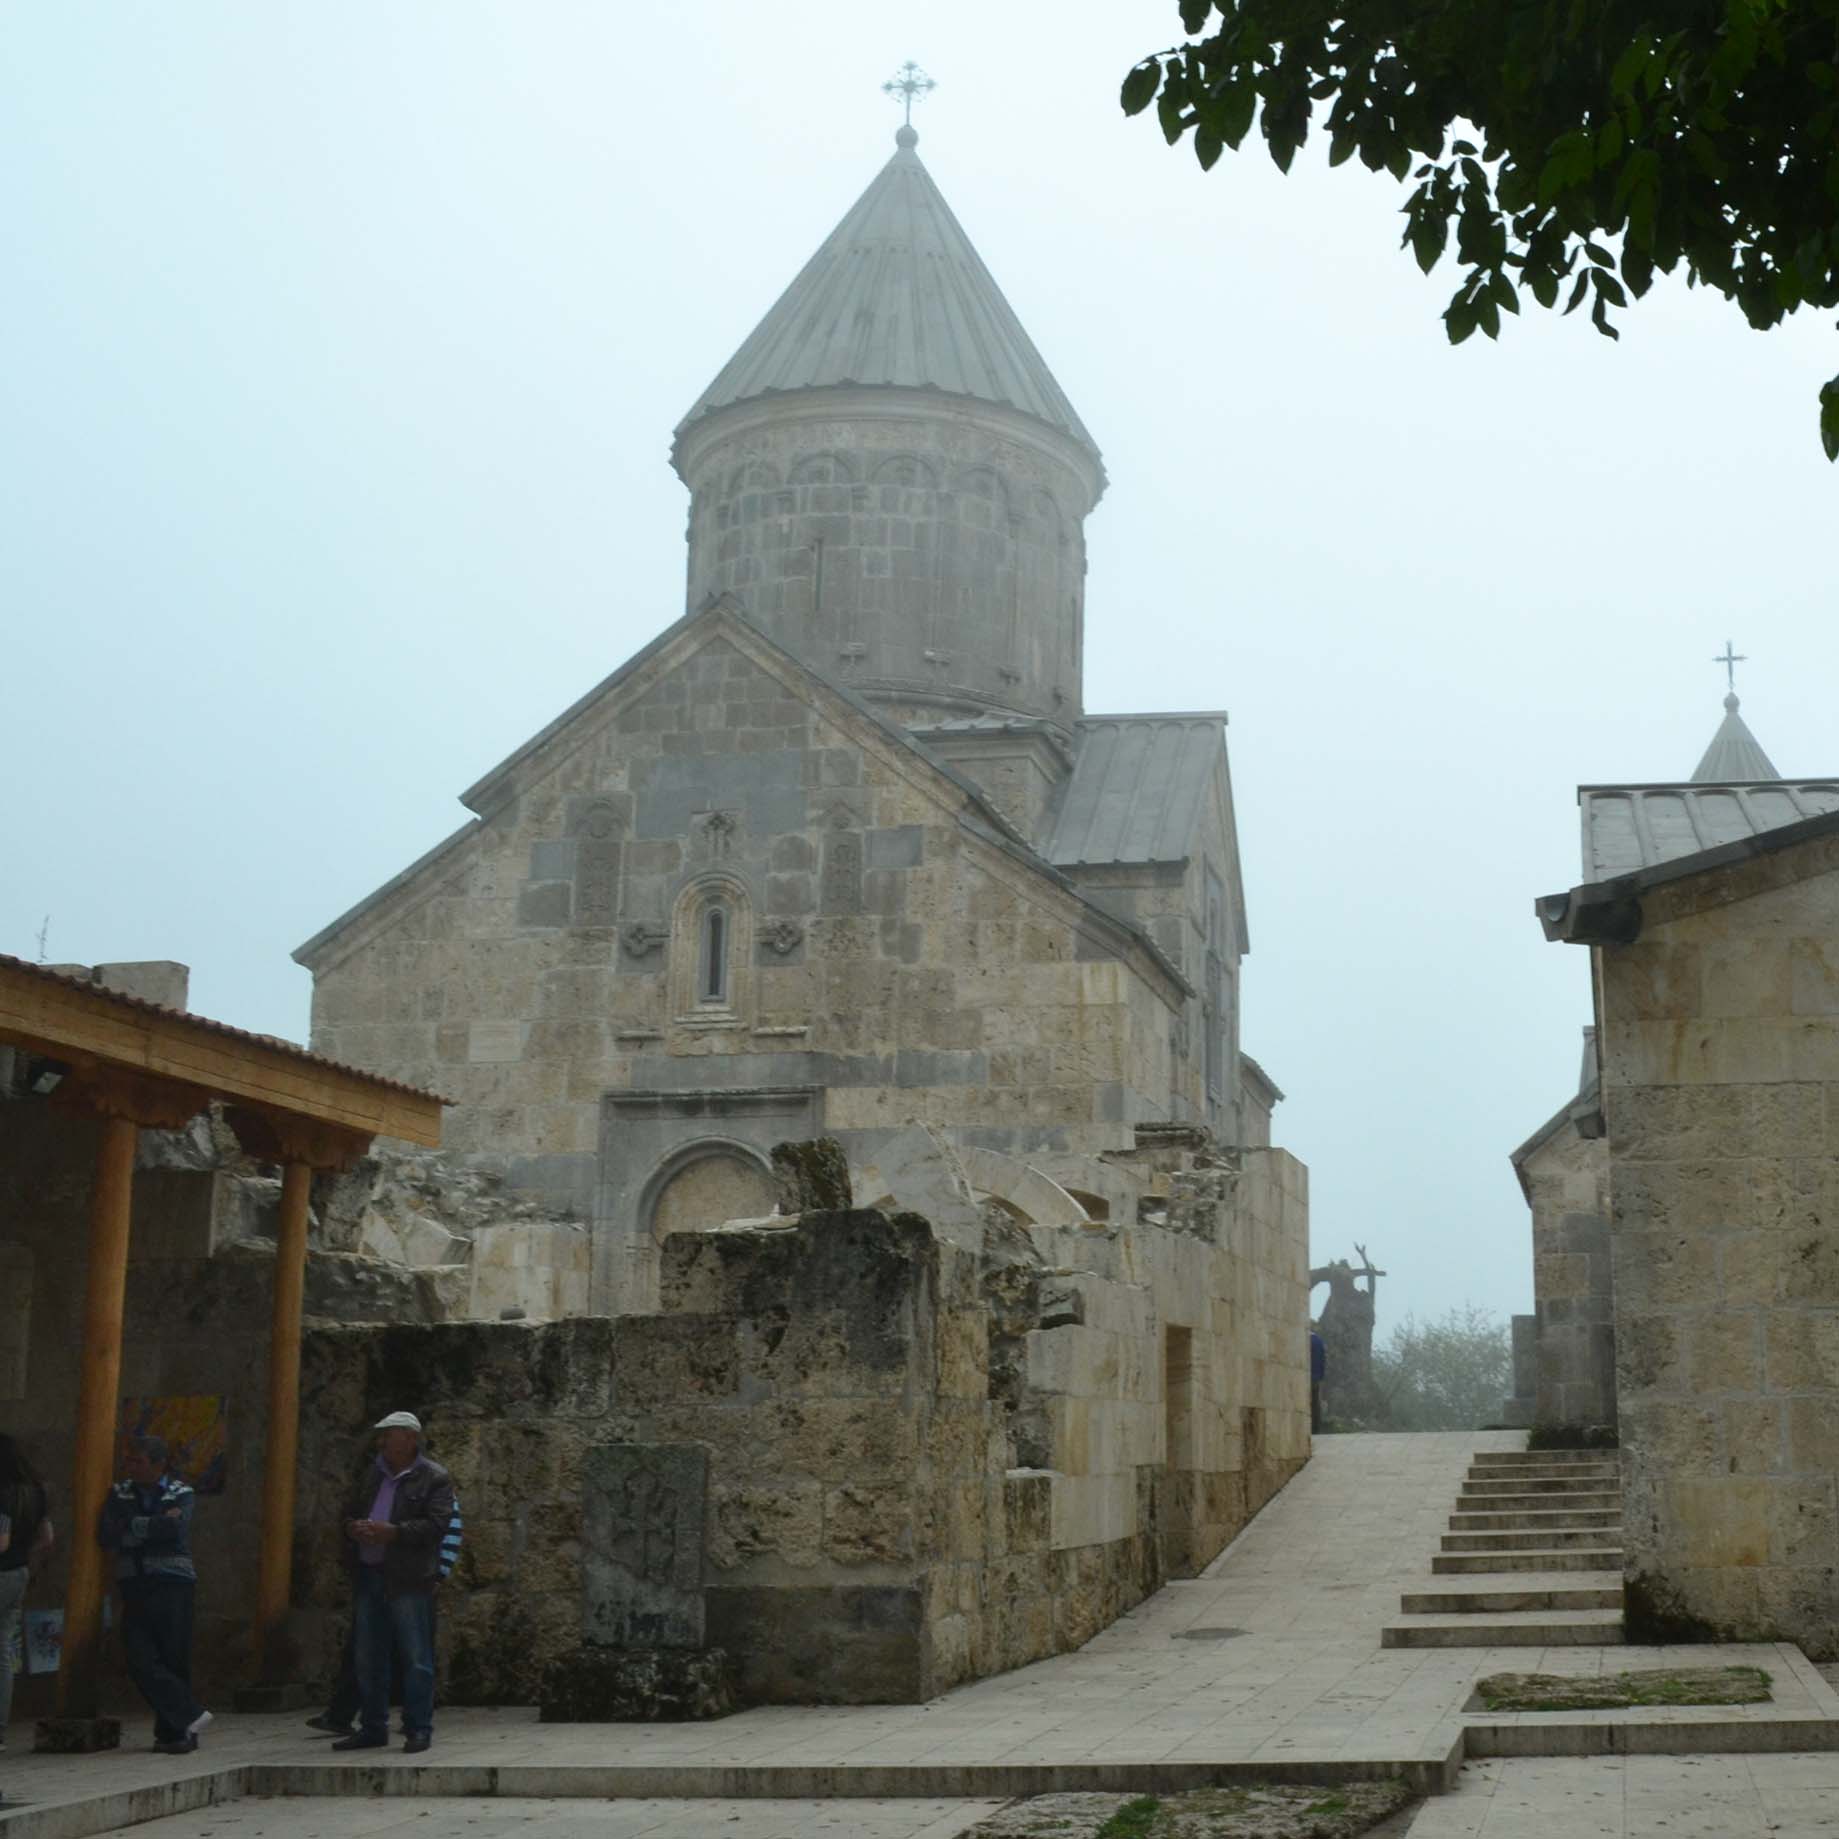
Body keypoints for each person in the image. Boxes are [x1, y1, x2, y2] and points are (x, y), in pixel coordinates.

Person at [332, 1410, 453, 1755]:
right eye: (382, 1435)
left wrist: (394, 1533)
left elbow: (437, 1526)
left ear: (410, 1439)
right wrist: (354, 1528)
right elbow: (349, 1511)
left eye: (389, 1435)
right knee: (368, 1656)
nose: (382, 1441)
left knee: (416, 1657)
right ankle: (372, 1727)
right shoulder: (371, 1474)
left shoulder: (434, 1478)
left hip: (409, 1579)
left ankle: (418, 1727)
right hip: (371, 1575)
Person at [307, 1489, 462, 1738]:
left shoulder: (432, 1486)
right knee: (366, 1650)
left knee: (413, 1654)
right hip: (383, 1579)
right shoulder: (383, 1486)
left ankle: (412, 1721)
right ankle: (344, 1715)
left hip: (413, 1582)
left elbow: (450, 1532)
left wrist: (438, 1573)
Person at [98, 1436, 210, 1755]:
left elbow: (175, 1530)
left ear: (158, 1465)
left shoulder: (180, 1492)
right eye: (128, 1461)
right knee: (139, 1657)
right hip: (135, 1583)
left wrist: (133, 1528)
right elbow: (108, 1532)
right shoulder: (119, 1492)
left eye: (138, 1461)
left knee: (173, 1654)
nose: (130, 1467)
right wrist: (154, 1525)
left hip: (174, 1582)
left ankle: (175, 1732)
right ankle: (190, 1713)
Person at [0, 1435, 56, 1754]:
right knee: (3, 1653)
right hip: (17, 1573)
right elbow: (47, 1538)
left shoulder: (3, 1494)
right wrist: (26, 1562)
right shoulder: (36, 1493)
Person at [1309, 1322, 1327, 1434]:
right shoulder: (1319, 1341)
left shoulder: (1308, 1341)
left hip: (1308, 1376)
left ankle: (1311, 1429)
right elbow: (1323, 1360)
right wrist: (1321, 1376)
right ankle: (1316, 1429)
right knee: (1315, 1403)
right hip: (1316, 1377)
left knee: (1309, 1403)